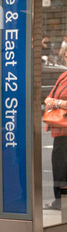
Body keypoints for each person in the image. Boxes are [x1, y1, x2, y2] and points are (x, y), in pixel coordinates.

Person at [44, 59, 67, 210]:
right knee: (59, 165)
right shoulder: (63, 76)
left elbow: (54, 101)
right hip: (60, 129)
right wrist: (55, 101)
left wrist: (57, 103)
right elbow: (47, 99)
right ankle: (60, 200)